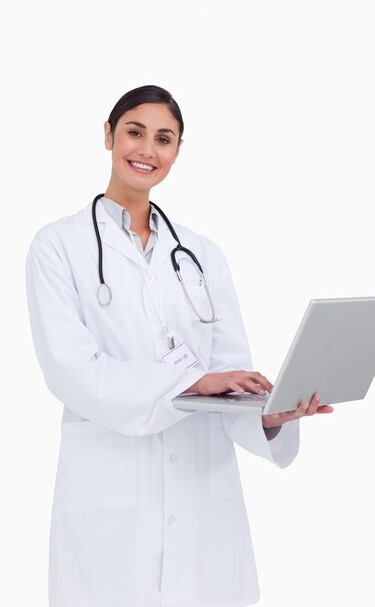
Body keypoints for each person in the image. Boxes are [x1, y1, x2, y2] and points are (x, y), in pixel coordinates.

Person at [26, 85, 333, 607]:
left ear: (177, 151)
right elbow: (71, 370)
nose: (147, 150)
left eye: (163, 139)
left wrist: (270, 415)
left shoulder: (202, 255)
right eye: (134, 132)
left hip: (201, 503)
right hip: (111, 502)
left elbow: (227, 374)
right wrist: (190, 381)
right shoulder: (58, 246)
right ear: (108, 134)